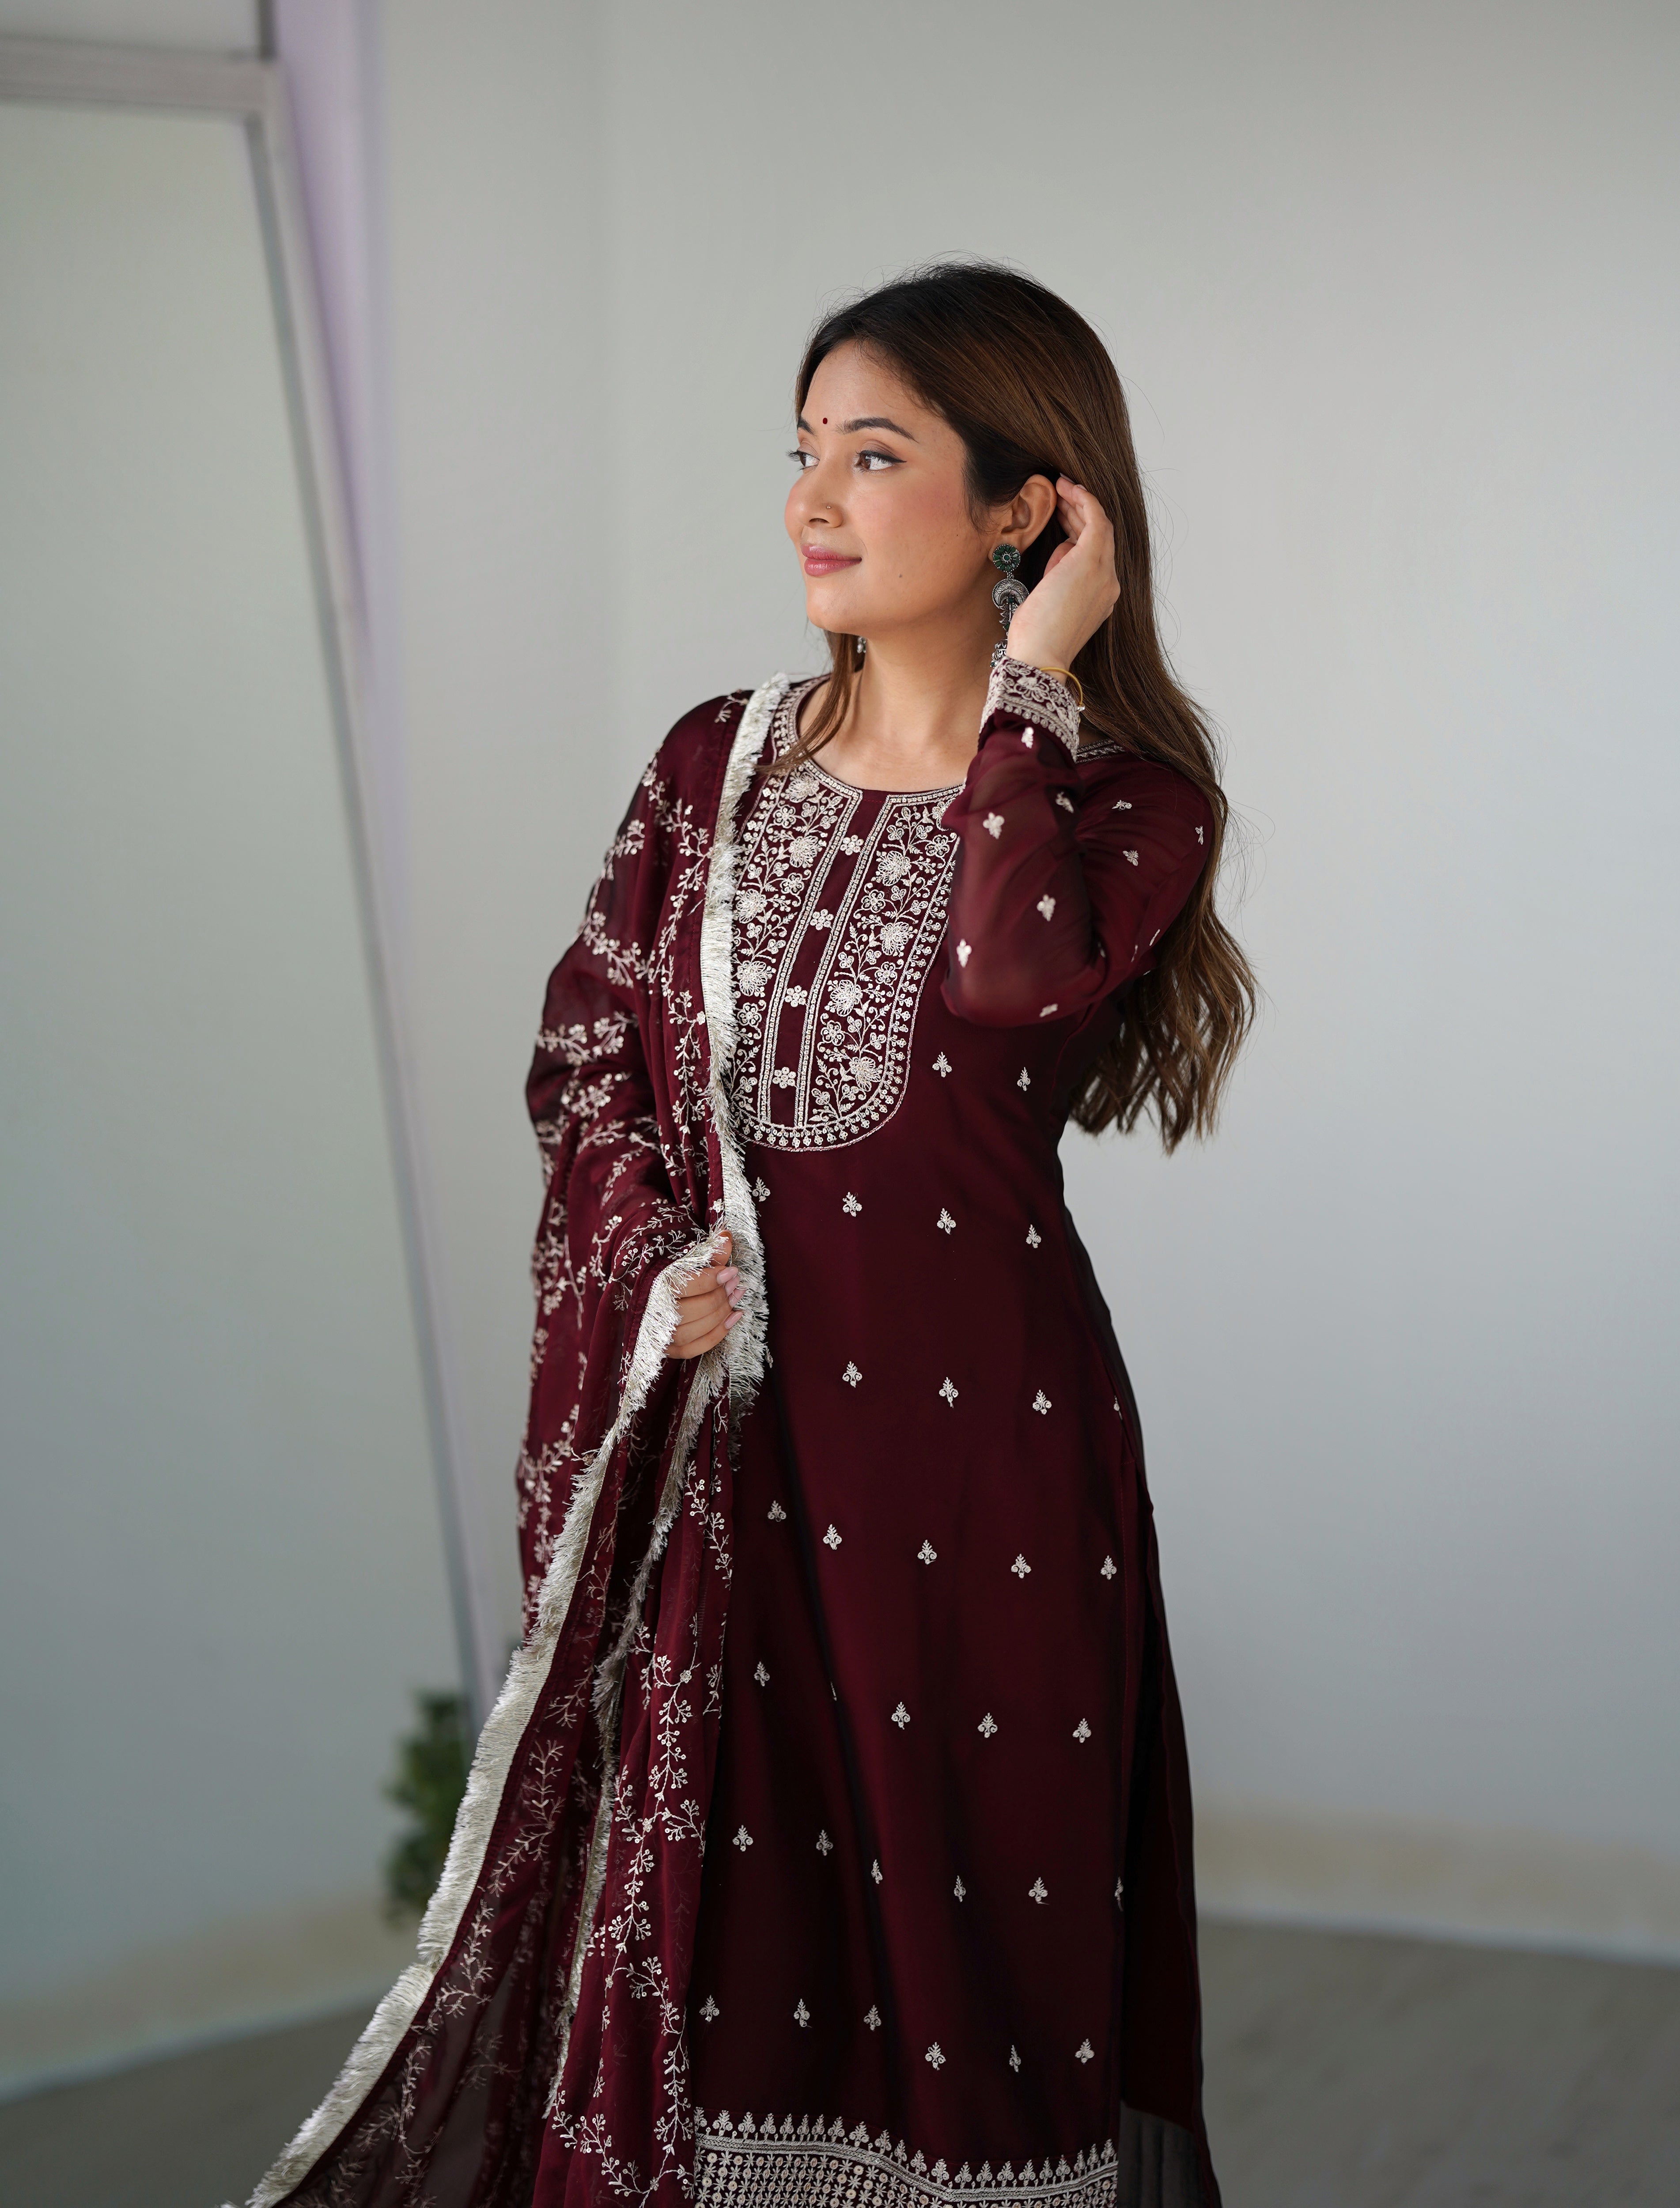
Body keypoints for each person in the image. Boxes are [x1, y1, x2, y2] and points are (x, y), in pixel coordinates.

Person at [242, 263, 1253, 2208]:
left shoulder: (1127, 802)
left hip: (984, 1473)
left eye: (871, 456)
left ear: (1027, 508)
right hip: (736, 1453)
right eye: (802, 452)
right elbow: (584, 1058)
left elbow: (1016, 974)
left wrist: (1034, 689)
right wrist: (646, 1261)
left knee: (972, 1965)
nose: (809, 501)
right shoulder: (714, 767)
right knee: (723, 1964)